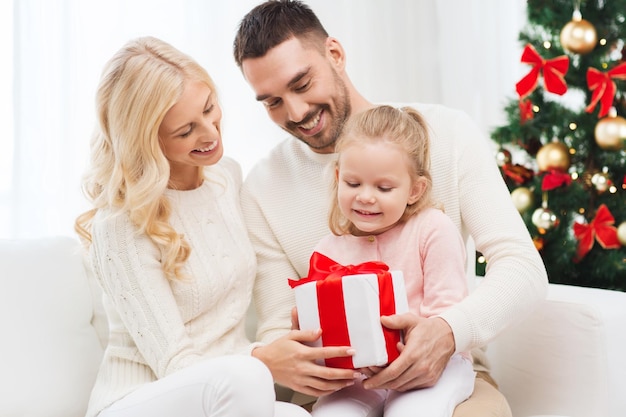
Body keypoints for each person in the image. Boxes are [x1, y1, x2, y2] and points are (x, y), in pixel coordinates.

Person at [232, 1, 548, 416]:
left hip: (447, 372)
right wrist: (293, 355)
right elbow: (277, 322)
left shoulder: (447, 134)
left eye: (302, 83)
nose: (296, 112)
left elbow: (522, 268)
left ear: (336, 54)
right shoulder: (262, 187)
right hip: (334, 388)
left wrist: (449, 331)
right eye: (271, 102)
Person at [74, 36, 311, 417]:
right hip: (143, 398)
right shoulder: (120, 226)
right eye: (186, 131)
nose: (211, 133)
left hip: (229, 388)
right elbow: (175, 364)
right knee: (248, 379)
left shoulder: (226, 177)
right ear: (147, 140)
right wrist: (263, 360)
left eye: (209, 108)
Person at [310, 105, 475, 416]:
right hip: (359, 377)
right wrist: (313, 338)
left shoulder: (432, 229)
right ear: (337, 177)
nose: (365, 197)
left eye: (384, 188)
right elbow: (327, 337)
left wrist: (405, 346)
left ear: (415, 190)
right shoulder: (328, 249)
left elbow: (447, 312)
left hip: (434, 364)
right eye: (353, 183)